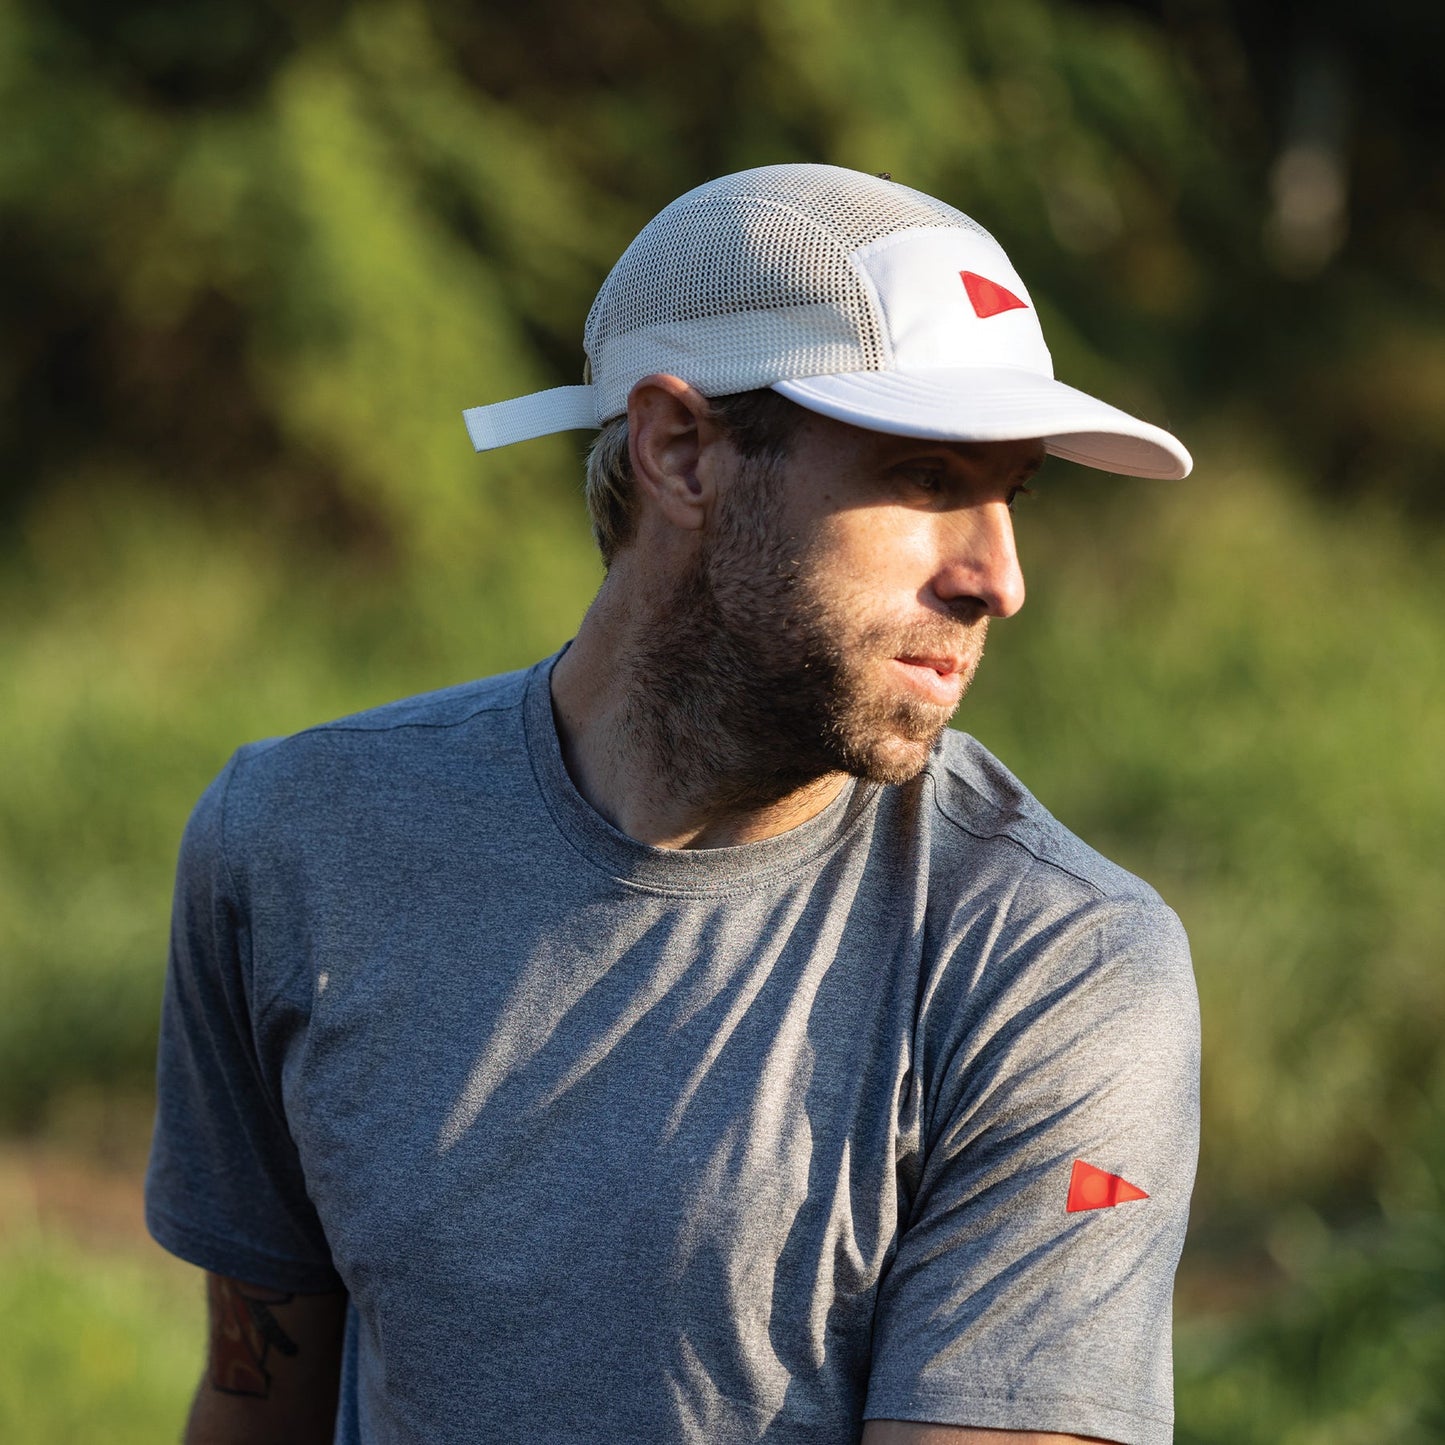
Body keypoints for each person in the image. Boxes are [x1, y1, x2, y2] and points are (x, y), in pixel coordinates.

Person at [146, 163, 1200, 1445]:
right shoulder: (299, 841)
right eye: (926, 479)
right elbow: (260, 1389)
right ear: (680, 449)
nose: (997, 577)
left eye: (1010, 493)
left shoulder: (1055, 959)